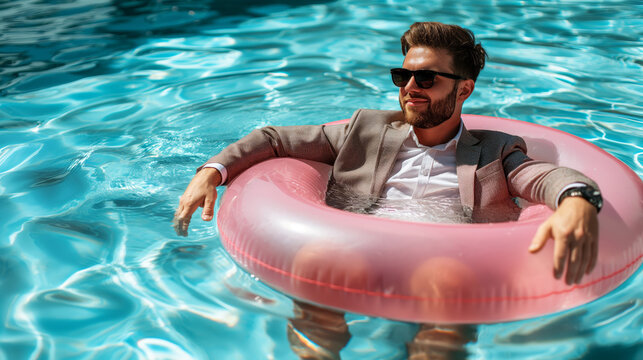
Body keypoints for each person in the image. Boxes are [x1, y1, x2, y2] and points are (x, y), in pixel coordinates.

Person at [173, 22, 603, 359]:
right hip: (357, 246)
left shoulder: (494, 150)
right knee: (318, 258)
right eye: (403, 75)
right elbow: (274, 138)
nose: (410, 88)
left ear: (464, 88)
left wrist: (579, 199)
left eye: (427, 79)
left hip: (448, 257)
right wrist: (212, 172)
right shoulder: (366, 130)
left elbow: (543, 177)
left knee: (448, 280)